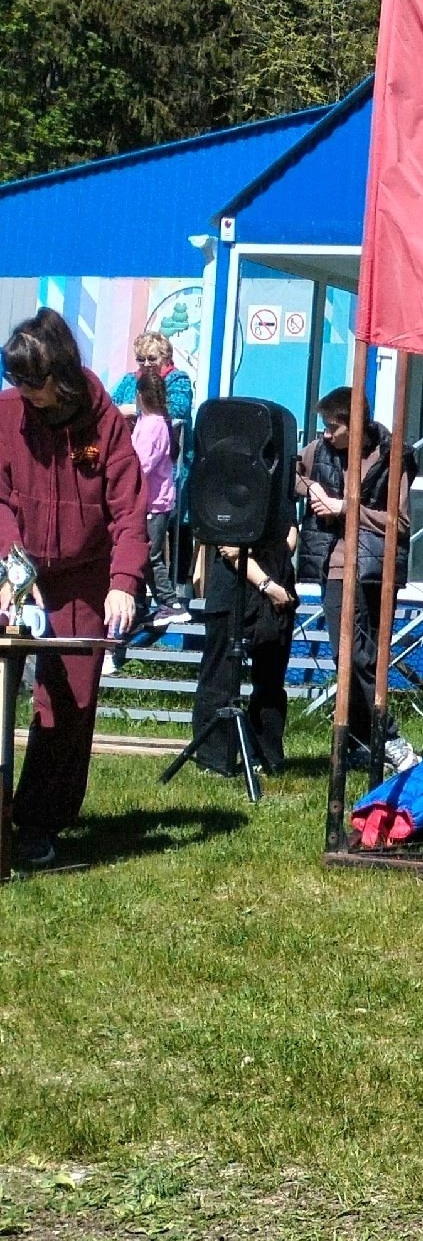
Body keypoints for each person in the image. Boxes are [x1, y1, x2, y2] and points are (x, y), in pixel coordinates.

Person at [0, 308, 147, 868]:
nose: (25, 395)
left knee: (69, 703)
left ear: (60, 374)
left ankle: (38, 824)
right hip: (15, 570)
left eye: (33, 384)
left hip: (84, 578)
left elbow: (129, 509)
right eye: (16, 382)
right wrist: (13, 568)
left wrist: (123, 582)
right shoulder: (8, 412)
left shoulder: (103, 421)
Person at [296, 385, 417, 772]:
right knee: (346, 654)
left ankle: (381, 739)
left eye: (333, 427)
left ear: (357, 424)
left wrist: (345, 507)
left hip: (373, 570)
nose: (327, 435)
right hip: (333, 567)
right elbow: (290, 471)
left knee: (363, 657)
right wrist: (312, 487)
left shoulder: (393, 456)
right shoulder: (319, 452)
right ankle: (375, 739)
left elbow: (398, 523)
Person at [189, 523, 296, 781]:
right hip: (232, 588)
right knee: (218, 677)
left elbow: (290, 538)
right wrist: (267, 584)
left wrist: (258, 555)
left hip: (277, 587)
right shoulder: (223, 489)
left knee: (270, 680)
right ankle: (214, 758)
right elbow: (230, 550)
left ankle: (265, 756)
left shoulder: (282, 488)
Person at [129, 364, 183, 621]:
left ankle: (170, 603)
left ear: (141, 396)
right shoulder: (150, 422)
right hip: (150, 503)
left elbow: (142, 465)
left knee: (151, 556)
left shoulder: (154, 426)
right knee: (140, 554)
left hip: (154, 504)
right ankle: (139, 605)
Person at [109, 330, 194, 425]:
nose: (146, 364)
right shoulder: (129, 380)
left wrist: (135, 409)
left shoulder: (178, 379)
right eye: (141, 359)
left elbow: (176, 410)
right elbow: (111, 406)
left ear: (166, 358)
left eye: (152, 359)